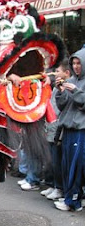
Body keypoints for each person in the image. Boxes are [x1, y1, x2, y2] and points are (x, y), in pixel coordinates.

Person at [54, 49, 85, 211]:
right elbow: (62, 106)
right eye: (74, 63)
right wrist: (61, 92)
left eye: (79, 63)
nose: (76, 66)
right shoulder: (72, 79)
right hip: (67, 129)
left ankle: (73, 201)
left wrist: (75, 91)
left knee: (75, 166)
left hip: (80, 131)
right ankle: (70, 195)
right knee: (66, 165)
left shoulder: (78, 83)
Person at [41, 60, 70, 200]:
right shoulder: (56, 86)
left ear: (67, 73)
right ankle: (52, 185)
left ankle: (60, 188)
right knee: (51, 159)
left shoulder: (67, 87)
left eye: (58, 71)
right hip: (51, 126)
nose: (55, 73)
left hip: (59, 128)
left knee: (58, 160)